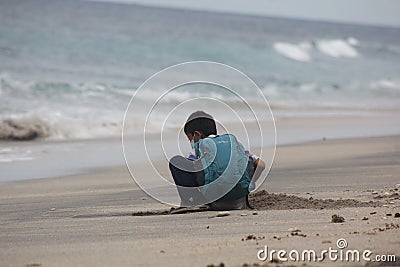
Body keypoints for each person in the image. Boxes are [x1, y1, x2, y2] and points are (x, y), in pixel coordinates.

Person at [169, 111, 265, 210]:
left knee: (177, 162)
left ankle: (190, 201)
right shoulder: (232, 144)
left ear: (197, 135)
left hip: (213, 198)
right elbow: (260, 165)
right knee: (245, 161)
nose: (192, 144)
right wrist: (249, 185)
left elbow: (189, 171)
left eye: (190, 140)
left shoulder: (200, 148)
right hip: (238, 198)